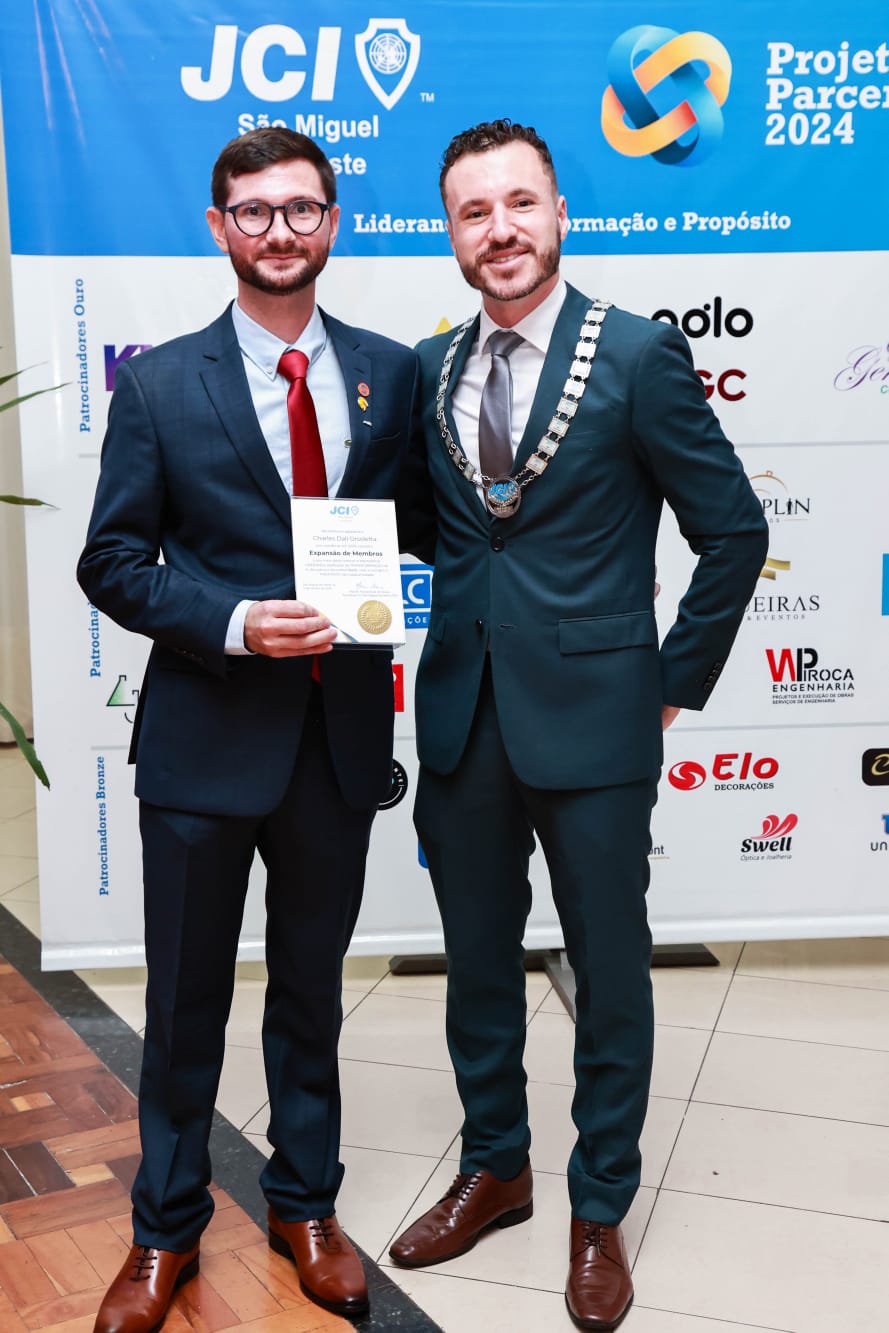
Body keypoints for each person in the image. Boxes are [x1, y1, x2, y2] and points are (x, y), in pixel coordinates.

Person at [391, 120, 769, 1331]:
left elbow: (734, 528)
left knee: (607, 972)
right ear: (451, 233)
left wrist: (670, 679)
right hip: (462, 715)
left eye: (519, 203)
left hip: (599, 722)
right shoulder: (429, 368)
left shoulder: (640, 354)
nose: (498, 229)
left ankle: (598, 1204)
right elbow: (433, 530)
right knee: (476, 964)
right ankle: (495, 1167)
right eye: (473, 211)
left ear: (560, 214)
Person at [77, 127, 418, 1332]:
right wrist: (231, 621)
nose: (281, 229)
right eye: (256, 211)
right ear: (220, 226)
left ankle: (303, 1204)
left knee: (312, 993)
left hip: (336, 741)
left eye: (302, 208)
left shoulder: (391, 374)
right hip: (202, 742)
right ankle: (164, 1226)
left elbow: (417, 535)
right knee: (183, 1005)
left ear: (334, 222)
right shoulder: (159, 384)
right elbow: (112, 561)